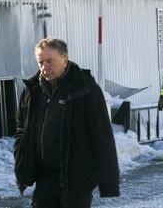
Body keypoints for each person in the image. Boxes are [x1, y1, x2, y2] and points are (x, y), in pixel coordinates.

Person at [14, 37, 120, 208]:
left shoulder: (84, 89)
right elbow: (21, 127)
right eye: (40, 62)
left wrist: (109, 182)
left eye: (50, 61)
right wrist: (21, 157)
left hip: (76, 177)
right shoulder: (32, 90)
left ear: (64, 60)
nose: (44, 67)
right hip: (44, 177)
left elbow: (101, 135)